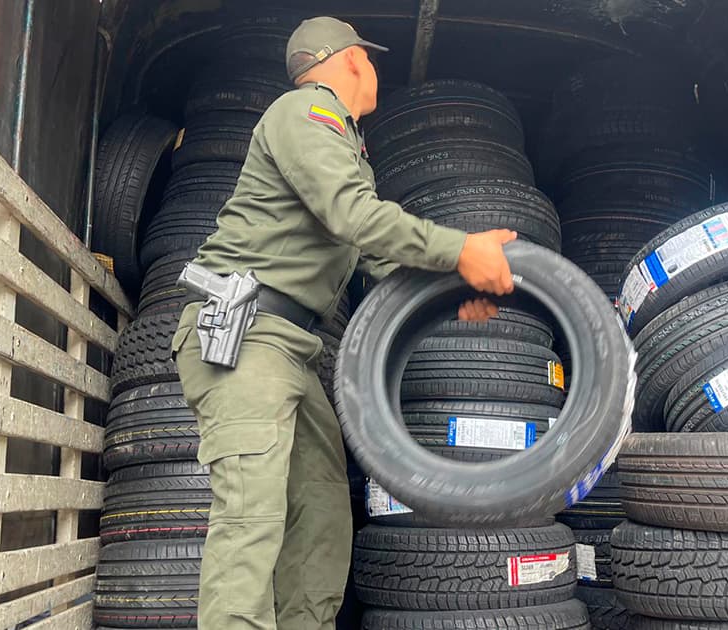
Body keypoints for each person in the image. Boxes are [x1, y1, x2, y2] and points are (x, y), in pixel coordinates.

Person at [171, 16, 518, 630]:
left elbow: (377, 258)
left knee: (324, 509)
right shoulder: (305, 112)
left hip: (287, 348)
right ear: (353, 60)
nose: (375, 69)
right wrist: (463, 249)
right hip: (246, 337)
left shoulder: (343, 144)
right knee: (251, 518)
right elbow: (353, 215)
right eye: (371, 59)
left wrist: (454, 291)